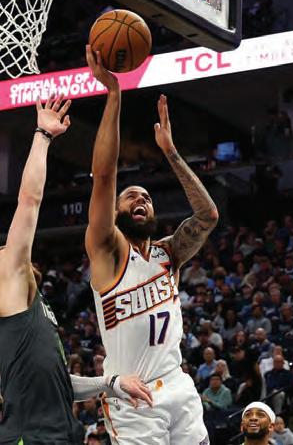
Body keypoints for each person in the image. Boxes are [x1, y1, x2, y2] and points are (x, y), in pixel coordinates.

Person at [0, 95, 151, 444]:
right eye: (5, 252)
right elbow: (29, 201)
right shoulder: (5, 291)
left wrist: (110, 383)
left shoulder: (24, 314)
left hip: (57, 434)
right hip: (32, 437)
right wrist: (42, 136)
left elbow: (58, 383)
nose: (15, 251)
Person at [83, 45, 218, 444]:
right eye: (131, 197)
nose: (140, 199)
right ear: (116, 211)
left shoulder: (168, 253)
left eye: (146, 197)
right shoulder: (108, 251)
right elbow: (104, 177)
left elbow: (208, 216)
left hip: (177, 383)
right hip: (133, 394)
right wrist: (113, 95)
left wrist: (171, 153)